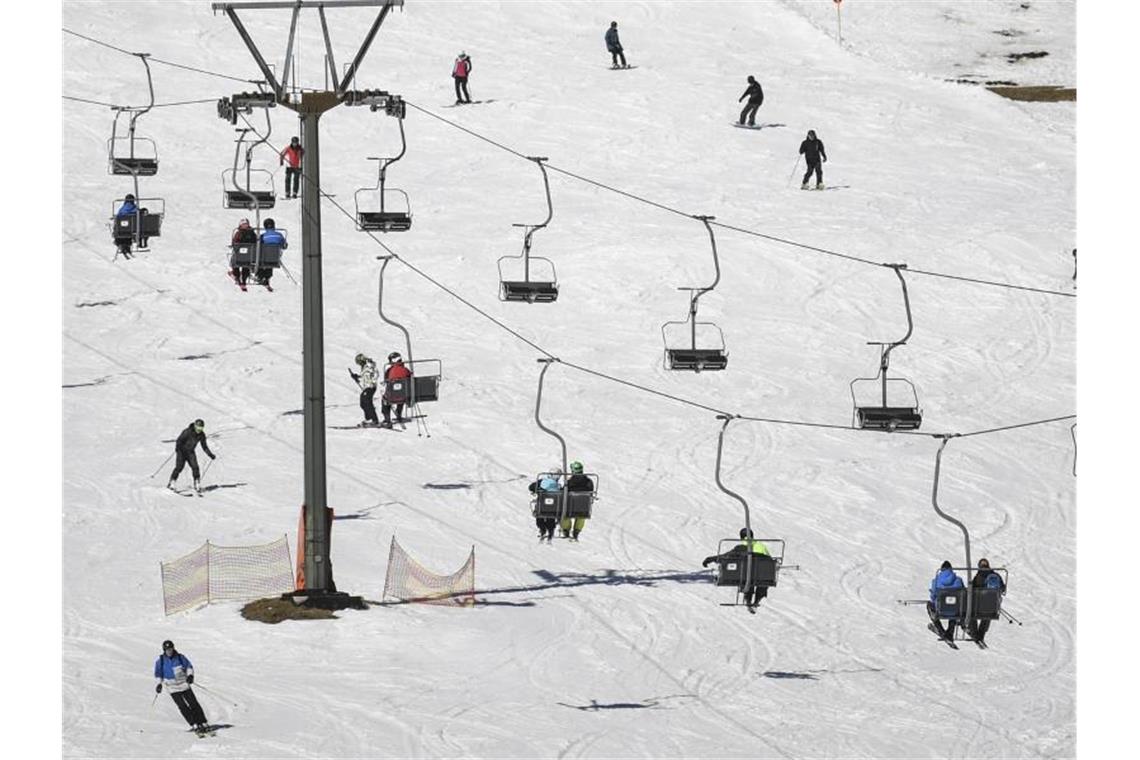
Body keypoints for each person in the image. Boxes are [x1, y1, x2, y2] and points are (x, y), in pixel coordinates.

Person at [702, 529, 773, 612]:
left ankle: (748, 598)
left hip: (747, 576)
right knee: (761, 577)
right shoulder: (761, 546)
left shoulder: (741, 548)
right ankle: (757, 600)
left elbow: (726, 557)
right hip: (763, 576)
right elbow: (771, 561)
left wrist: (710, 559)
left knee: (747, 577)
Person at [154, 640, 209, 733]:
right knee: (182, 706)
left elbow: (189, 666)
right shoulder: (161, 661)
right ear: (164, 650)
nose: (169, 651)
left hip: (184, 684)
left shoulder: (180, 657)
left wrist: (190, 675)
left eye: (170, 649)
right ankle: (194, 723)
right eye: (167, 650)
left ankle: (202, 722)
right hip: (172, 688)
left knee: (193, 703)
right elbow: (158, 674)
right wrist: (159, 684)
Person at [167, 419, 216, 493]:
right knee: (179, 467)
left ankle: (197, 483)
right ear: (195, 426)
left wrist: (210, 455)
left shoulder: (202, 435)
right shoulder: (187, 431)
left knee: (195, 467)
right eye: (198, 428)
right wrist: (178, 449)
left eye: (201, 428)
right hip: (182, 451)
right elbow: (179, 440)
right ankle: (172, 482)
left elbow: (204, 446)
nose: (199, 430)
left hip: (190, 452)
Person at [967, 557, 1005, 644]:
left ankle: (975, 634)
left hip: (978, 605)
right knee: (988, 615)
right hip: (992, 606)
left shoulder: (978, 576)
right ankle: (981, 635)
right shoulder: (996, 575)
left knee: (972, 614)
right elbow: (1002, 588)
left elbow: (972, 589)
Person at [928, 560, 965, 640]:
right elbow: (963, 594)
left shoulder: (936, 581)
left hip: (941, 609)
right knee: (954, 604)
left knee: (930, 605)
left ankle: (941, 630)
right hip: (955, 611)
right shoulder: (958, 580)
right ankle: (950, 632)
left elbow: (933, 596)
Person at [560, 460, 594, 540]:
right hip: (583, 505)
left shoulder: (569, 482)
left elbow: (564, 491)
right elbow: (591, 492)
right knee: (581, 516)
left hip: (570, 505)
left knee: (565, 514)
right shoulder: (588, 481)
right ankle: (576, 531)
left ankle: (566, 530)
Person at [528, 467, 563, 541]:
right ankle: (550, 530)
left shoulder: (542, 482)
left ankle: (542, 528)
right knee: (551, 514)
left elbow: (531, 487)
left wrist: (537, 490)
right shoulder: (558, 486)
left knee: (541, 512)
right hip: (553, 509)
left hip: (541, 507)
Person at [381, 352, 413, 428]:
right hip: (404, 396)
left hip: (391, 397)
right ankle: (399, 414)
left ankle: (387, 419)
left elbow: (386, 380)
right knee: (401, 392)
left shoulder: (389, 370)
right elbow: (410, 377)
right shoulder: (405, 370)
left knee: (385, 400)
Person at [350, 353, 380, 426]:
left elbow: (375, 374)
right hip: (367, 387)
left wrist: (372, 381)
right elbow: (365, 376)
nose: (359, 364)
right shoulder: (365, 366)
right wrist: (357, 377)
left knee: (367, 402)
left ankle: (373, 419)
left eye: (359, 362)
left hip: (370, 387)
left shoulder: (369, 365)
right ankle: (369, 418)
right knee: (363, 403)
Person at [256, 218, 287, 288]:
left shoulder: (263, 236)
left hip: (264, 258)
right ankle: (267, 277)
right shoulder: (279, 235)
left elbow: (258, 246)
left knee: (262, 258)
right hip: (275, 258)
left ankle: (260, 276)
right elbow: (284, 246)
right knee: (271, 261)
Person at [230, 218, 257, 288]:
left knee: (235, 260)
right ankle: (243, 278)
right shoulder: (252, 233)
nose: (245, 226)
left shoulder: (238, 233)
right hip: (249, 256)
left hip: (240, 255)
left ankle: (237, 275)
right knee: (246, 263)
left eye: (245, 224)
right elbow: (256, 242)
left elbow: (234, 243)